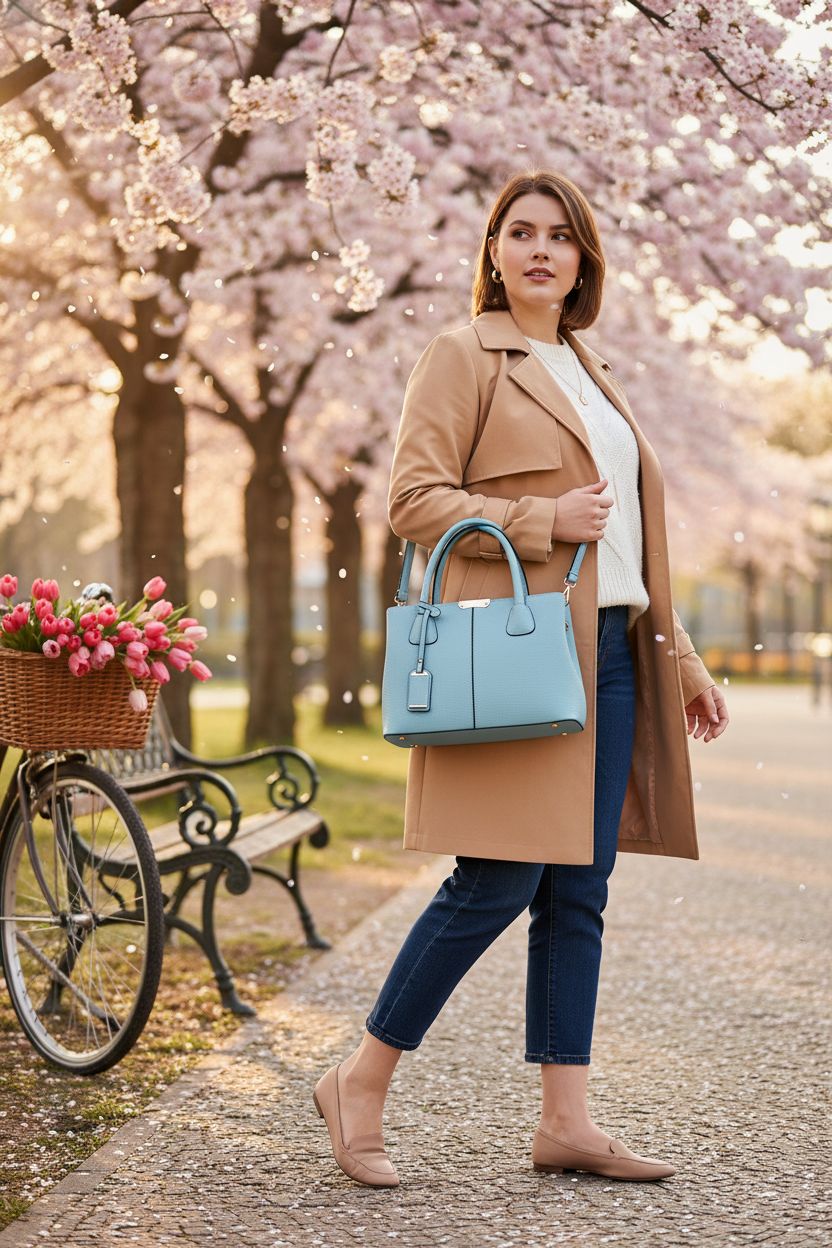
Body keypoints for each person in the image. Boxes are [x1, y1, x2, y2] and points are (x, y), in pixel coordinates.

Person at [312, 169, 730, 1187]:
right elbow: (414, 500)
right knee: (495, 878)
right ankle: (359, 1081)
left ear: (584, 261)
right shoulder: (463, 355)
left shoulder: (591, 369)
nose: (541, 249)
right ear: (494, 254)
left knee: (579, 889)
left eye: (560, 236)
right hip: (521, 649)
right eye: (521, 232)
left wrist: (681, 658)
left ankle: (565, 1122)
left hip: (616, 654)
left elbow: (625, 541)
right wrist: (541, 520)